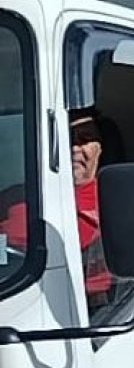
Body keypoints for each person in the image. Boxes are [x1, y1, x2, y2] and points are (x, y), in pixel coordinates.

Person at [1, 107, 113, 311]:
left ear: (100, 148)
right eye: (65, 137)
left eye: (84, 138)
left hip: (83, 309)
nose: (73, 147)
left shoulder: (114, 199)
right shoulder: (12, 197)